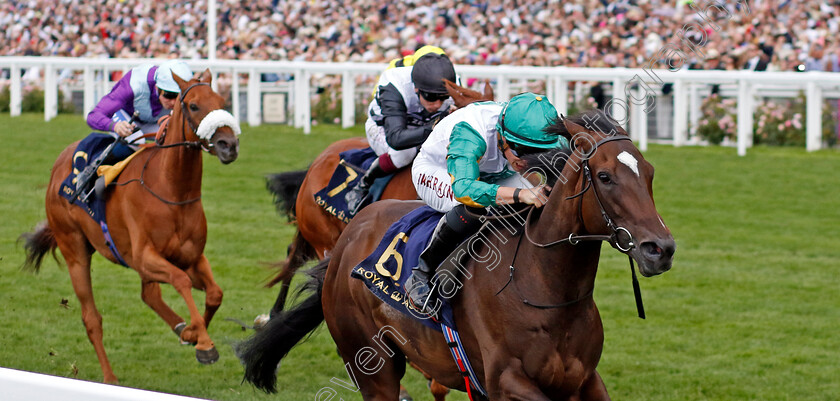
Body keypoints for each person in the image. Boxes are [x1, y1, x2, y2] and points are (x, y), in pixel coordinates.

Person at [405, 92, 569, 314]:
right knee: (475, 205)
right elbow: (464, 189)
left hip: (493, 171)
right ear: (502, 135)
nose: (527, 160)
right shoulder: (470, 131)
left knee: (538, 201)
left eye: (537, 153)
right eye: (522, 151)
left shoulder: (537, 132)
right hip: (440, 171)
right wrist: (519, 194)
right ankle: (421, 274)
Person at [344, 49, 457, 214]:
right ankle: (362, 185)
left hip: (423, 126)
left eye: (443, 98)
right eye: (431, 97)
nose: (438, 104)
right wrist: (434, 127)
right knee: (405, 153)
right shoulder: (394, 84)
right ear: (416, 89)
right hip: (384, 127)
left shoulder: (453, 84)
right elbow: (396, 139)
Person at [74, 60, 193, 192]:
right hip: (125, 116)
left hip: (154, 121)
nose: (173, 102)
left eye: (179, 96)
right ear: (157, 87)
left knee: (177, 136)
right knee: (137, 139)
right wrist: (115, 126)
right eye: (169, 95)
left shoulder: (189, 90)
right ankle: (93, 169)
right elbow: (93, 116)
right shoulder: (134, 83)